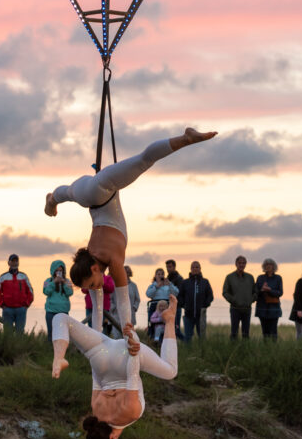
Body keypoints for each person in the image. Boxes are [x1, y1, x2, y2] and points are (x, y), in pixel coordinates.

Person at [45, 128, 217, 328]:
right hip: (89, 195)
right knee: (67, 192)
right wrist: (98, 334)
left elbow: (123, 298)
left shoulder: (112, 259)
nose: (95, 289)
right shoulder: (90, 259)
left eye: (92, 284)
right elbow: (97, 308)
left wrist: (128, 329)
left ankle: (186, 139)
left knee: (144, 160)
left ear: (94, 269)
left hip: (100, 191)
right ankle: (52, 200)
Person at [51, 296, 178, 439]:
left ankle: (169, 319)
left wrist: (132, 349)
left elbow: (132, 375)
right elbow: (96, 376)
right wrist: (94, 353)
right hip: (102, 360)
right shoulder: (96, 412)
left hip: (125, 360)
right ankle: (58, 356)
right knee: (60, 318)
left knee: (171, 371)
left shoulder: (130, 414)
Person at [0, 254, 34, 334]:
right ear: (8, 263)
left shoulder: (23, 276)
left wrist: (26, 305)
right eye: (12, 261)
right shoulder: (3, 277)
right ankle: (8, 347)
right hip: (7, 310)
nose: (14, 263)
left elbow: (30, 292)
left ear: (18, 263)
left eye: (16, 261)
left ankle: (19, 347)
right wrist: (2, 305)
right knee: (7, 333)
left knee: (20, 333)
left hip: (21, 310)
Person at [177, 260, 214, 342]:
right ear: (190, 269)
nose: (195, 269)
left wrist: (205, 305)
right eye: (193, 267)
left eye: (197, 267)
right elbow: (180, 296)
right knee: (188, 338)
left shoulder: (205, 282)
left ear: (200, 269)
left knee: (202, 337)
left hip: (201, 315)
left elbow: (210, 296)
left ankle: (202, 352)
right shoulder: (185, 282)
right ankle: (188, 353)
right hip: (188, 315)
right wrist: (184, 305)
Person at [222, 255, 256, 340]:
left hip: (247, 309)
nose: (241, 265)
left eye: (243, 263)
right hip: (235, 309)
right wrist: (233, 300)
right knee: (234, 333)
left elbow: (255, 292)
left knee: (246, 333)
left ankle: (246, 351)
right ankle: (233, 350)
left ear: (246, 264)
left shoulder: (250, 277)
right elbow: (225, 292)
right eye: (240, 263)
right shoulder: (229, 277)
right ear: (236, 264)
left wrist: (250, 300)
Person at [43, 260, 73, 341]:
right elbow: (46, 291)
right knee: (51, 333)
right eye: (57, 270)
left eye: (61, 270)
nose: (59, 272)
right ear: (53, 270)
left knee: (63, 333)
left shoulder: (67, 281)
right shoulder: (47, 281)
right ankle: (50, 351)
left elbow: (70, 292)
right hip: (51, 311)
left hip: (63, 311)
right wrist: (54, 282)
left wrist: (63, 283)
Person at [255, 258, 283, 340]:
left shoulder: (278, 278)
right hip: (262, 308)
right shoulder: (260, 278)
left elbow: (280, 293)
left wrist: (270, 290)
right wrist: (262, 290)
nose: (268, 266)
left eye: (270, 264)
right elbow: (256, 292)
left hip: (274, 308)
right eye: (266, 265)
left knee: (273, 331)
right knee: (265, 332)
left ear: (274, 266)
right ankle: (266, 348)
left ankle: (274, 349)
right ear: (264, 266)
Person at [165, 259, 184, 338]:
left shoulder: (179, 279)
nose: (168, 269)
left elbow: (178, 292)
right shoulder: (167, 278)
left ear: (174, 267)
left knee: (176, 327)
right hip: (169, 305)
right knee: (171, 326)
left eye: (170, 267)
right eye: (167, 267)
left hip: (177, 306)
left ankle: (185, 342)